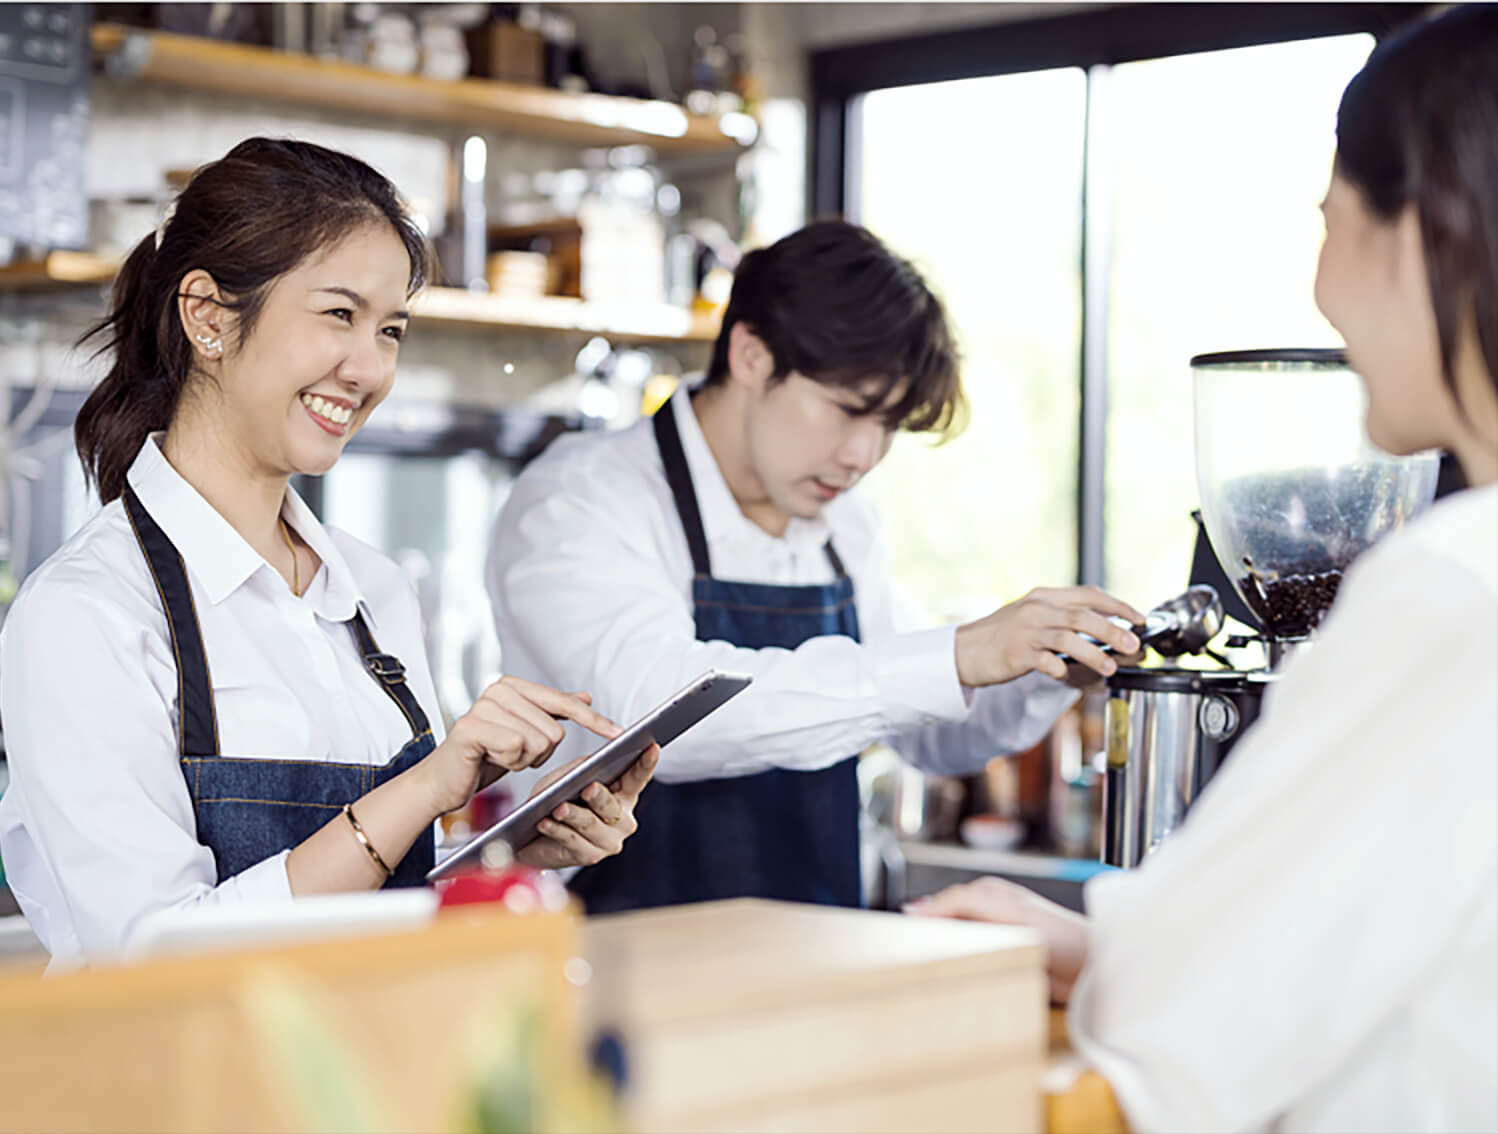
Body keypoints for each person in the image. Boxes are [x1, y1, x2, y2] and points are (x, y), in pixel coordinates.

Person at [907, 8, 1498, 1131]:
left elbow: (1193, 1018)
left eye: (1328, 222)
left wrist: (1107, 957)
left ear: (1421, 230)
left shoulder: (1452, 590)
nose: (1320, 290)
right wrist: (1108, 947)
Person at [0, 138, 657, 970]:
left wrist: (514, 850)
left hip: (372, 1045)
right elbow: (150, 955)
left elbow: (377, 903)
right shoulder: (85, 613)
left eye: (391, 330)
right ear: (207, 315)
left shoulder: (374, 591)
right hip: (184, 1056)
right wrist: (425, 787)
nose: (370, 368)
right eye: (339, 315)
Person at [486, 218, 1145, 914]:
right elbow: (657, 720)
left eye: (889, 425)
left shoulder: (845, 524)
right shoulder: (580, 499)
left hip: (820, 943)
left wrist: (1049, 668)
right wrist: (956, 653)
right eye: (848, 410)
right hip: (611, 949)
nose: (863, 455)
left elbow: (932, 734)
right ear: (750, 354)